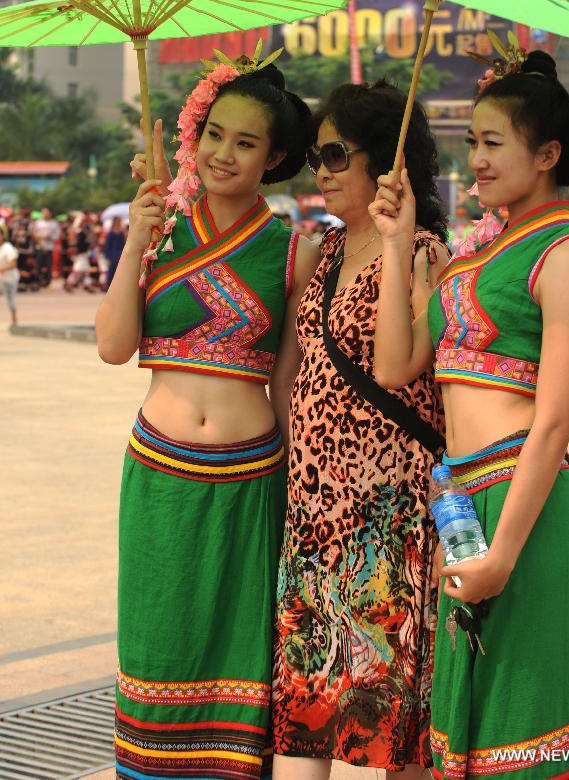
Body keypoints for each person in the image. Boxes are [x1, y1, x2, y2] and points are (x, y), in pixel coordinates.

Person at [370, 50, 569, 778]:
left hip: (523, 505)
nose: (477, 158)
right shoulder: (473, 258)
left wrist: (501, 552)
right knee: (465, 726)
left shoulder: (562, 255)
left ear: (548, 154)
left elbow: (555, 421)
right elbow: (394, 366)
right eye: (472, 142)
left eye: (493, 142)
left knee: (520, 729)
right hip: (463, 501)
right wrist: (397, 240)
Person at [96, 53, 320, 780]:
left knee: (241, 657)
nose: (224, 153)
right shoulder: (160, 229)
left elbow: (289, 380)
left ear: (277, 157)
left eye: (246, 142)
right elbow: (111, 346)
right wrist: (135, 238)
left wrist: (306, 493)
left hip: (252, 479)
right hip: (161, 472)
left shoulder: (294, 251)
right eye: (214, 135)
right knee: (158, 646)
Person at [272, 80, 450, 780]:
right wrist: (305, 464)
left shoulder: (426, 255)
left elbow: (397, 373)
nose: (322, 169)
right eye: (318, 154)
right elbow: (290, 370)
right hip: (314, 516)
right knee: (304, 706)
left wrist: (400, 242)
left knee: (392, 714)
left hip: (390, 520)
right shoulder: (322, 252)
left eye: (338, 153)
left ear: (388, 162)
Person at [30, 206, 60, 288]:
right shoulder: (38, 223)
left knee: (48, 265)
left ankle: (47, 282)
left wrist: (49, 237)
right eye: (43, 212)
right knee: (38, 265)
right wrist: (41, 240)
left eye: (46, 212)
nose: (45, 214)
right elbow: (33, 234)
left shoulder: (54, 223)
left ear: (50, 213)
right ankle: (37, 281)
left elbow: (57, 235)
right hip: (39, 246)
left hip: (49, 247)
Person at [0, 225, 19, 326]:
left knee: (9, 299)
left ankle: (14, 320)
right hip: (1, 278)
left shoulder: (7, 248)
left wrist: (2, 269)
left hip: (10, 279)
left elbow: (13, 263)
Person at [102, 216, 126, 290]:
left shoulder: (121, 234)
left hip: (119, 254)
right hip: (112, 255)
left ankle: (116, 287)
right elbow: (107, 246)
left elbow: (123, 245)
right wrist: (107, 256)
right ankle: (108, 286)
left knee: (119, 272)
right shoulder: (110, 234)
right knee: (111, 271)